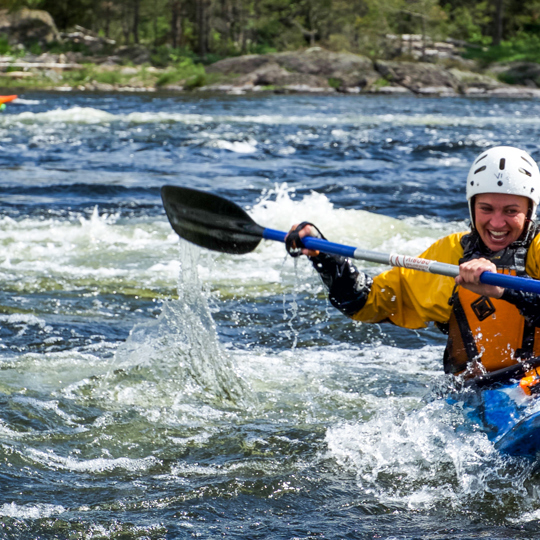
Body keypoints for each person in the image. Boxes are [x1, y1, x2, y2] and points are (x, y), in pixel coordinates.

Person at [286, 146, 540, 377]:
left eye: (511, 211)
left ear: (530, 211)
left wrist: (505, 289)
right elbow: (367, 302)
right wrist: (326, 257)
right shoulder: (450, 252)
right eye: (486, 208)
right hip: (476, 396)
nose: (496, 223)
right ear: (472, 207)